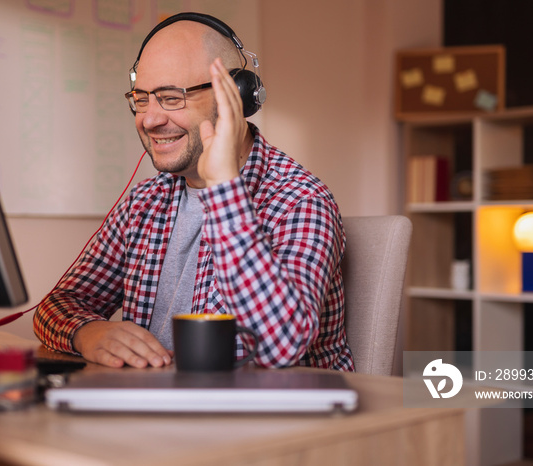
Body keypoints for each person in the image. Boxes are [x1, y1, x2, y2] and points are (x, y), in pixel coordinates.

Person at [33, 12, 354, 371]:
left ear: (233, 97)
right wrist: (87, 332)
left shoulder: (300, 201)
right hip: (156, 412)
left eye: (170, 98)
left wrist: (224, 190)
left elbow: (279, 347)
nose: (149, 119)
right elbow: (61, 302)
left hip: (270, 420)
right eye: (141, 98)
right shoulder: (144, 203)